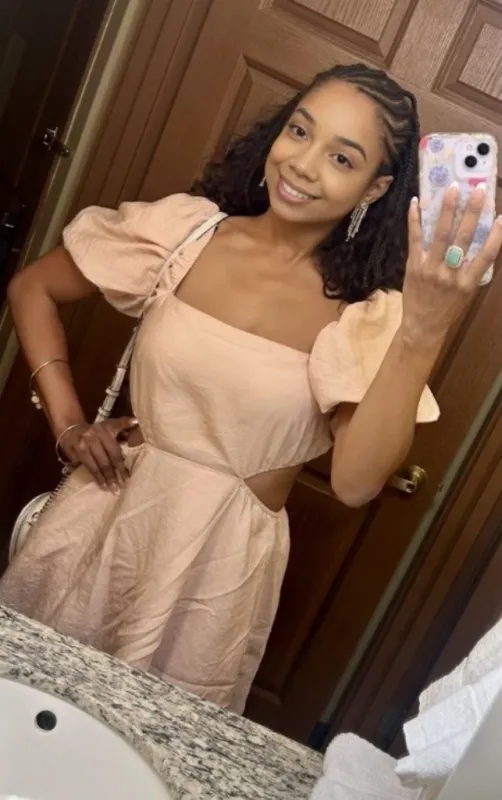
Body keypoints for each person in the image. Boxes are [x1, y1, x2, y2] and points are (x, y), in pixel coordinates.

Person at [1, 63, 500, 713]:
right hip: (101, 523)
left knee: (149, 743)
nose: (302, 164)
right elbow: (32, 288)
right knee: (23, 710)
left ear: (375, 188)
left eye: (341, 158)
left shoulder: (367, 316)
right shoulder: (183, 234)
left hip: (216, 576)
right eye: (300, 130)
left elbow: (355, 483)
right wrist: (68, 422)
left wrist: (424, 328)